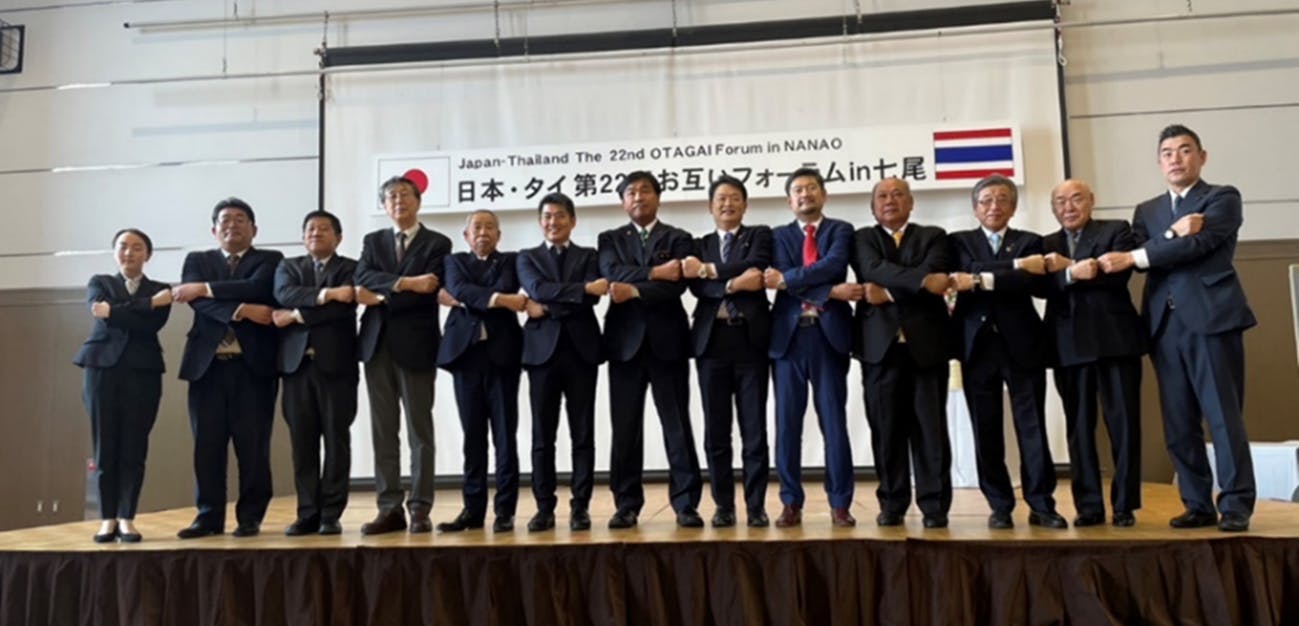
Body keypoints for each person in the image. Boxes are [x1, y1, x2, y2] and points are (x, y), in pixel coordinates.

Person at [1097, 124, 1257, 532]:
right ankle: (1197, 503)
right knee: (1178, 422)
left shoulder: (1222, 197)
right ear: (1159, 163)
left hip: (1212, 320)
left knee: (1223, 417)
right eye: (1167, 152)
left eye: (1185, 150)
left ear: (1202, 157)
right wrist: (1171, 232)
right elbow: (1139, 253)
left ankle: (1235, 504)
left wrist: (1153, 248)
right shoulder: (1147, 210)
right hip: (1163, 325)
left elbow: (1195, 246)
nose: (1176, 158)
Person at [948, 175, 1066, 530]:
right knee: (985, 430)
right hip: (977, 347)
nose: (994, 206)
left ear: (1013, 207)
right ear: (975, 208)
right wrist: (1015, 267)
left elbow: (1033, 281)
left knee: (1032, 428)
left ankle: (1042, 504)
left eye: (1002, 199)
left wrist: (980, 279)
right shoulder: (958, 241)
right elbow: (962, 274)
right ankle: (999, 505)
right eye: (986, 200)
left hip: (1022, 345)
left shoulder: (1030, 241)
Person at [598, 171, 704, 529]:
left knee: (677, 425)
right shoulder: (610, 238)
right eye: (630, 192)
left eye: (645, 191)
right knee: (625, 428)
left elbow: (677, 286)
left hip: (667, 342)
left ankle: (686, 503)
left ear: (657, 197)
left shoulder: (679, 238)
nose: (638, 197)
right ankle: (626, 504)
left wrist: (635, 288)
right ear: (622, 202)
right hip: (624, 345)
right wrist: (656, 273)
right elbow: (612, 273)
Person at [173, 198, 284, 539]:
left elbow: (258, 288)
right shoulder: (197, 260)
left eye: (240, 219)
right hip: (207, 368)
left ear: (254, 229)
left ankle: (250, 516)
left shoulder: (270, 260)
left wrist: (206, 289)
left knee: (253, 447)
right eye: (225, 220)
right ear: (214, 230)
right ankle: (208, 517)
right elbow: (197, 303)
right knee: (206, 446)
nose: (232, 225)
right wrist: (243, 311)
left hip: (253, 368)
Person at [849, 177, 954, 529]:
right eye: (882, 196)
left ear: (911, 203)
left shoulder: (934, 236)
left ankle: (934, 506)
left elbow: (936, 275)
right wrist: (920, 281)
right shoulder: (863, 238)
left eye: (898, 195)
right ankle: (892, 503)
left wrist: (889, 293)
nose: (889, 200)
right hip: (880, 348)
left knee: (931, 431)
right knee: (886, 429)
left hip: (927, 347)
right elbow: (871, 269)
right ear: (872, 206)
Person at [1040, 179, 1145, 527]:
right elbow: (1042, 287)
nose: (1068, 207)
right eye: (1060, 201)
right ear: (1053, 208)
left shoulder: (1117, 230)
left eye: (1076, 199)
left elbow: (1117, 275)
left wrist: (1068, 268)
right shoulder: (1046, 244)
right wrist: (1076, 271)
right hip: (1068, 346)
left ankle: (1125, 505)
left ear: (1091, 201)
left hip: (1115, 343)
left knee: (1124, 426)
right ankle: (1089, 507)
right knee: (1079, 429)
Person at [355, 176, 452, 535]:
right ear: (384, 205)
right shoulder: (373, 241)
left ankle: (420, 507)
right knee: (384, 431)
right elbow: (362, 276)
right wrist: (406, 283)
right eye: (391, 196)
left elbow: (432, 285)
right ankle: (389, 508)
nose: (398, 201)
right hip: (377, 343)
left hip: (417, 343)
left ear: (418, 201)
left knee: (419, 431)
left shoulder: (437, 242)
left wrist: (380, 292)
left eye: (405, 195)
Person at [763, 167, 857, 528]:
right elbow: (783, 274)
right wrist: (831, 291)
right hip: (788, 340)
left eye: (811, 188)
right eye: (798, 190)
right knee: (787, 425)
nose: (805, 194)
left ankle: (840, 503)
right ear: (790, 201)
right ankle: (790, 502)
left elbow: (831, 265)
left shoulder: (841, 230)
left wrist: (787, 281)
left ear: (823, 194)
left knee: (834, 423)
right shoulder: (777, 236)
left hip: (828, 336)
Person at [683, 174, 773, 528]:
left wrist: (710, 272)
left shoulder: (759, 236)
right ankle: (724, 506)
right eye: (721, 198)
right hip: (712, 344)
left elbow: (757, 268)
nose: (727, 204)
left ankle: (756, 506)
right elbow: (697, 288)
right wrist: (734, 284)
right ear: (710, 206)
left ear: (745, 205)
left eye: (735, 197)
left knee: (754, 430)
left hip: (750, 342)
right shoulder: (698, 244)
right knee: (716, 432)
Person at [74, 228, 172, 543]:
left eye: (137, 247)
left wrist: (117, 310)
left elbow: (149, 325)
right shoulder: (100, 282)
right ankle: (107, 518)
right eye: (123, 246)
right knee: (105, 447)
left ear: (148, 254)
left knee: (134, 446)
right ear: (115, 251)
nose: (129, 253)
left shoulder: (162, 289)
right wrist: (147, 304)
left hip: (143, 372)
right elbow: (100, 314)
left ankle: (127, 517)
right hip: (101, 368)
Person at [516, 193, 606, 532]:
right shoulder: (527, 257)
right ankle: (544, 507)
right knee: (543, 435)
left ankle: (580, 506)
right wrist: (581, 289)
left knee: (583, 434)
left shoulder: (589, 255)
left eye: (560, 216)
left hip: (582, 351)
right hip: (542, 354)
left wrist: (549, 302)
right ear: (541, 222)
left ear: (573, 221)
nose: (553, 222)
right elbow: (536, 287)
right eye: (547, 216)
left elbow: (593, 299)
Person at [435, 210, 525, 534]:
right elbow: (458, 287)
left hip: (502, 357)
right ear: (466, 235)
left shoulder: (511, 260)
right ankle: (472, 511)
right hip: (466, 358)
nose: (483, 232)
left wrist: (465, 298)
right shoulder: (454, 261)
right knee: (472, 437)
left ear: (499, 235)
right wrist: (501, 300)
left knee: (505, 437)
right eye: (477, 227)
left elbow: (489, 288)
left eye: (490, 227)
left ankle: (505, 511)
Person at [271, 211, 359, 536]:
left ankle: (331, 514)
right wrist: (327, 294)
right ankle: (307, 512)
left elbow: (343, 308)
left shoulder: (350, 267)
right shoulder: (288, 267)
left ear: (338, 237)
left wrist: (295, 316)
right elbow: (284, 294)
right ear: (302, 236)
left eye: (324, 229)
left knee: (336, 440)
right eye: (310, 228)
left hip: (337, 366)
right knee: (302, 441)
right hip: (296, 368)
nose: (316, 233)